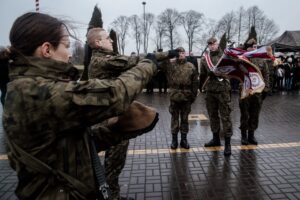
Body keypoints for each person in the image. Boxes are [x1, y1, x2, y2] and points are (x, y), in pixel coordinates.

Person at [1, 12, 158, 200]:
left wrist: (115, 131)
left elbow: (67, 147)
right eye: (66, 46)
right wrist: (150, 63)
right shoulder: (36, 91)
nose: (69, 55)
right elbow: (116, 94)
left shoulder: (25, 85)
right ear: (46, 49)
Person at [86, 27, 155, 200]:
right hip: (112, 119)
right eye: (108, 38)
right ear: (98, 42)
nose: (112, 40)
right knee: (114, 163)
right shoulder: (103, 60)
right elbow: (133, 61)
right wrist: (161, 56)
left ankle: (113, 194)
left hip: (110, 116)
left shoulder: (100, 59)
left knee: (114, 163)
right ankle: (111, 196)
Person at [160, 47, 199, 149]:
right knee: (174, 119)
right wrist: (168, 54)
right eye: (179, 53)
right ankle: (174, 140)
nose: (181, 54)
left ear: (185, 54)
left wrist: (193, 96)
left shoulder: (190, 66)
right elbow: (162, 64)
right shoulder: (171, 65)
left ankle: (184, 140)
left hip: (186, 97)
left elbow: (195, 82)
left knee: (185, 119)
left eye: (182, 53)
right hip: (174, 96)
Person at [200, 37, 232, 156]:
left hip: (223, 91)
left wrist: (220, 74)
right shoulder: (205, 59)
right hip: (211, 91)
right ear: (208, 46)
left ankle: (228, 144)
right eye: (210, 45)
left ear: (217, 44)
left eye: (214, 44)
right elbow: (202, 75)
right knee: (213, 116)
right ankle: (216, 139)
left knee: (225, 117)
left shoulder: (225, 56)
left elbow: (230, 73)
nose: (212, 46)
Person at [239, 38, 269, 145]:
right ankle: (244, 136)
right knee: (244, 114)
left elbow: (266, 75)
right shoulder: (242, 59)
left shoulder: (261, 60)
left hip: (257, 92)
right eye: (251, 47)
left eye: (255, 47)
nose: (253, 48)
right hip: (245, 90)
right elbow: (238, 71)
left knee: (255, 114)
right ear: (247, 48)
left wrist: (265, 89)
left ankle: (251, 135)